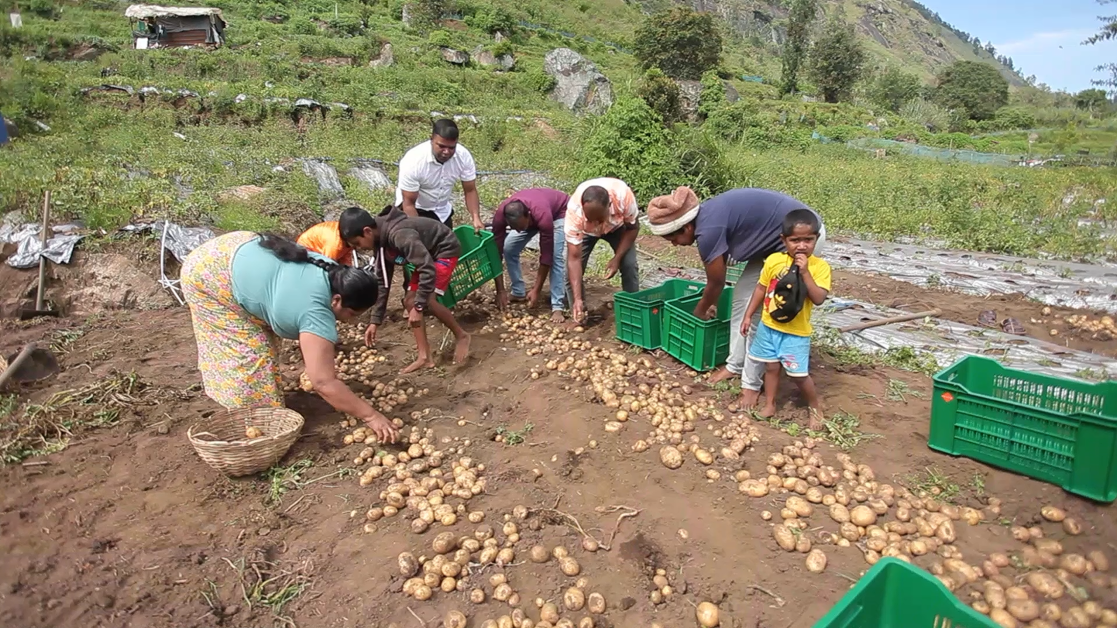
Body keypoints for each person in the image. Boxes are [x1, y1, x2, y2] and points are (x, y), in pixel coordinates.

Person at [180, 231, 398, 443]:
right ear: (337, 300)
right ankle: (259, 424)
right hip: (209, 277)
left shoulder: (331, 270)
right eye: (350, 314)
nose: (349, 322)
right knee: (251, 356)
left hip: (235, 248)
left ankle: (262, 404)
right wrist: (371, 415)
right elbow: (322, 382)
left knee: (263, 341)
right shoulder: (315, 310)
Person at [647, 187, 826, 404]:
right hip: (772, 244)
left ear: (686, 227)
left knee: (762, 314)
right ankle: (735, 365)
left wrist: (700, 310)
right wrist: (708, 301)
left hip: (798, 239)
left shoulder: (708, 230)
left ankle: (751, 385)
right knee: (742, 299)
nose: (674, 244)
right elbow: (717, 279)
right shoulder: (707, 220)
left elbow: (717, 281)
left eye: (673, 238)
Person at [340, 206, 470, 374]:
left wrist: (419, 307)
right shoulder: (380, 244)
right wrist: (375, 321)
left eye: (357, 243)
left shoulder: (400, 235)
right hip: (427, 258)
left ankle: (462, 335)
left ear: (367, 231)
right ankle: (424, 357)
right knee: (409, 300)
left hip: (443, 251)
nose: (359, 248)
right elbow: (383, 282)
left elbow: (427, 269)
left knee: (426, 301)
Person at [740, 209, 831, 429]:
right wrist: (748, 314)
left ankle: (815, 407)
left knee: (798, 375)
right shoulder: (773, 261)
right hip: (769, 326)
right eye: (795, 240)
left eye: (808, 240)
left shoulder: (820, 267)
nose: (801, 246)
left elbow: (818, 298)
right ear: (784, 240)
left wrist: (805, 273)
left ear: (816, 240)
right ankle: (770, 404)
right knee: (771, 367)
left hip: (795, 333)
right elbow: (761, 288)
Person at [564, 178, 641, 324]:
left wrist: (617, 258)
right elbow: (574, 259)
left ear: (609, 205)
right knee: (570, 273)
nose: (595, 224)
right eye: (590, 219)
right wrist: (578, 298)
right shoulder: (575, 211)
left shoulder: (623, 196)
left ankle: (633, 312)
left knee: (629, 265)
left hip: (617, 228)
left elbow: (633, 228)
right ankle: (580, 312)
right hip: (586, 233)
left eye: (599, 219)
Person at [491, 188, 571, 323]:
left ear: (528, 215)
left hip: (558, 213)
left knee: (556, 257)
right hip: (534, 215)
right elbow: (495, 255)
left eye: (521, 227)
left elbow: (547, 256)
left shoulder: (542, 215)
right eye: (514, 228)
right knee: (509, 248)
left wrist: (536, 290)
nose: (519, 231)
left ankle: (557, 306)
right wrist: (500, 290)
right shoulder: (501, 215)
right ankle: (518, 292)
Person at [395, 118, 483, 232]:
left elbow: (470, 190)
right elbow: (408, 204)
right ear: (431, 139)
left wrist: (476, 218)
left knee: (448, 246)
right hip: (416, 210)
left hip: (442, 212)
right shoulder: (413, 161)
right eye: (441, 146)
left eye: (452, 147)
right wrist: (420, 232)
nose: (446, 152)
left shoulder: (463, 156)